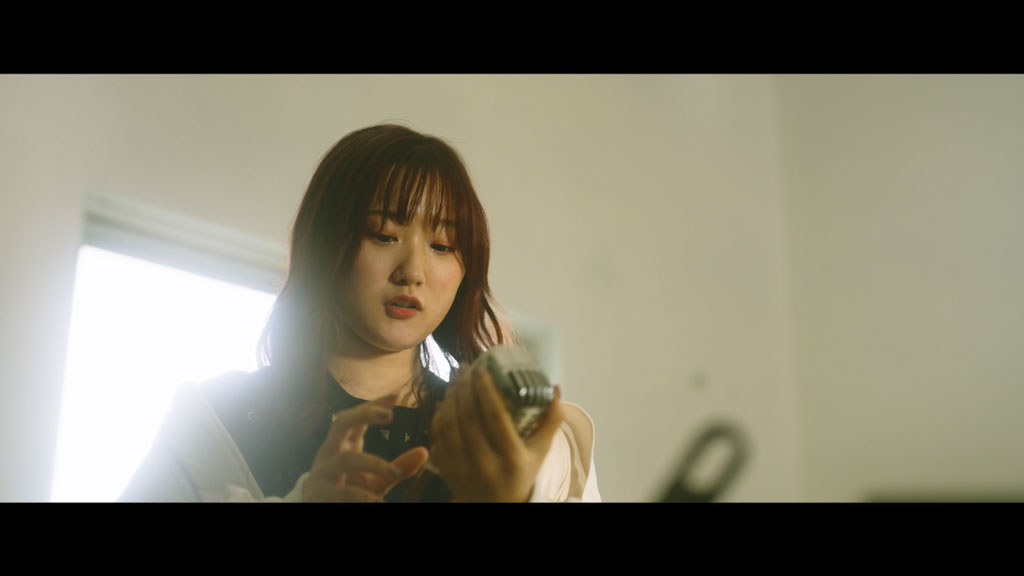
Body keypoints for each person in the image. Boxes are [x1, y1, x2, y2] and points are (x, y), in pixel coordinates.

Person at [119, 124, 600, 502]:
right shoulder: (217, 421)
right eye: (383, 235)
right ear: (325, 244)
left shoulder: (520, 440)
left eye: (442, 245)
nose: (412, 272)